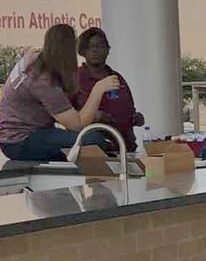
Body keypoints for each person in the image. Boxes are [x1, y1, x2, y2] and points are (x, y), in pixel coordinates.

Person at [0, 24, 118, 161]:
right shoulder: (43, 80)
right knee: (94, 141)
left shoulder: (33, 59)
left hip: (15, 135)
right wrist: (99, 89)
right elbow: (77, 125)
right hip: (20, 140)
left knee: (88, 141)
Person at [74, 27, 145, 151]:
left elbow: (129, 109)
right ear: (82, 51)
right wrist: (92, 116)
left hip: (125, 147)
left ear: (107, 50)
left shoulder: (117, 78)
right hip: (93, 149)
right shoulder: (75, 79)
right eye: (90, 47)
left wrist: (135, 118)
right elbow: (66, 116)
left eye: (100, 46)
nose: (95, 50)